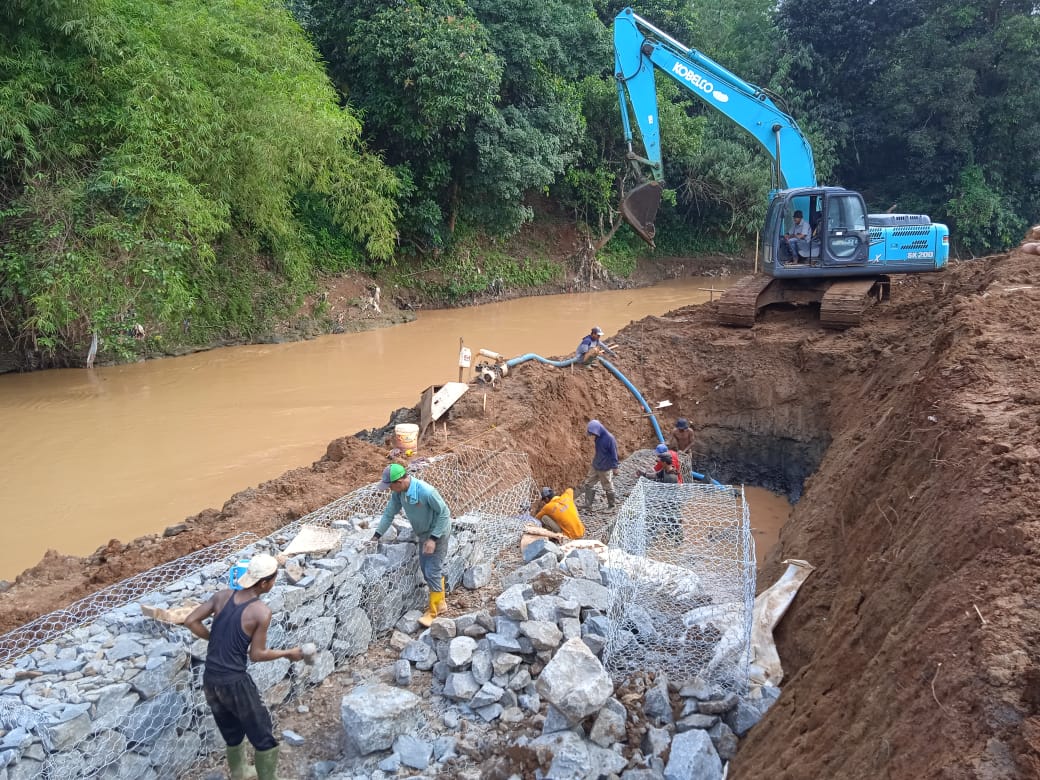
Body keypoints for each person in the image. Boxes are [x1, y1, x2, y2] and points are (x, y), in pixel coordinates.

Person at [184, 554, 304, 780]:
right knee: (262, 733)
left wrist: (214, 638)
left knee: (231, 729)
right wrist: (288, 653)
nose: (274, 582)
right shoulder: (260, 611)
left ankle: (240, 773)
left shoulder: (222, 596)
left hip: (210, 679)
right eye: (274, 579)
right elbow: (257, 655)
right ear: (264, 583)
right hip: (235, 682)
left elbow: (191, 621)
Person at [373, 462, 452, 627]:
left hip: (438, 533)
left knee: (432, 570)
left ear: (399, 482)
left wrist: (433, 539)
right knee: (426, 569)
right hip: (423, 534)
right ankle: (441, 601)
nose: (389, 489)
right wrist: (376, 535)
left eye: (390, 486)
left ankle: (434, 612)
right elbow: (389, 513)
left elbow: (445, 514)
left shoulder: (426, 492)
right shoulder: (400, 493)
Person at [580, 419, 619, 509]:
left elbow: (614, 453)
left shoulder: (609, 438)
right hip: (596, 465)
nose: (593, 435)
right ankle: (588, 504)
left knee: (608, 486)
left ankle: (611, 505)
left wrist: (615, 467)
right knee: (588, 483)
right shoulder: (598, 436)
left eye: (593, 433)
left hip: (605, 467)